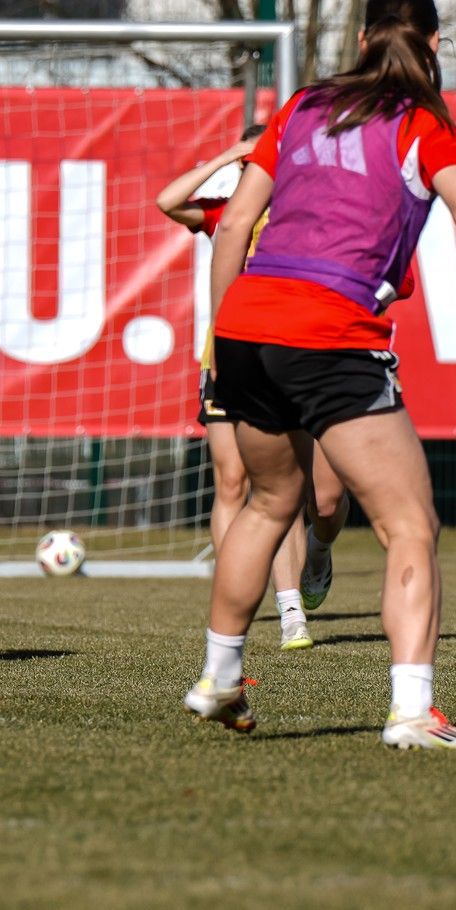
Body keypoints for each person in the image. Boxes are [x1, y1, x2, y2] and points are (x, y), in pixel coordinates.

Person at [185, 0, 456, 747]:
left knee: (267, 505)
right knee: (410, 525)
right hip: (331, 330)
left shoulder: (299, 108)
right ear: (433, 45)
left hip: (246, 327)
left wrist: (225, 336)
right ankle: (411, 710)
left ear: (363, 39)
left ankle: (219, 676)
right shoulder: (423, 127)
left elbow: (231, 228)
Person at [156, 127, 350, 651]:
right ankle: (288, 613)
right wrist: (227, 155)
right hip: (230, 360)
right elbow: (167, 201)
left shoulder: (309, 216)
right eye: (254, 163)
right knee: (237, 481)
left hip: (304, 362)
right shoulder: (227, 214)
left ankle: (320, 553)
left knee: (326, 500)